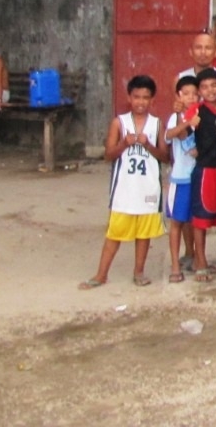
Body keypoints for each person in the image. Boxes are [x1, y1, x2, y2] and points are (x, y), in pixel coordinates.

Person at [79, 75, 169, 289]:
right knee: (114, 232)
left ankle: (139, 272)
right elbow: (108, 155)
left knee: (144, 234)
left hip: (148, 188)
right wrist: (123, 144)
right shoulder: (119, 123)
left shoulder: (157, 124)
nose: (141, 102)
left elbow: (165, 157)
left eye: (145, 98)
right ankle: (101, 274)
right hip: (124, 189)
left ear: (152, 100)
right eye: (136, 97)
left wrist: (148, 146)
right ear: (129, 97)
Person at [176, 31, 216, 268]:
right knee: (198, 214)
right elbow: (180, 123)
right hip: (200, 166)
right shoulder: (185, 86)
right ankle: (196, 258)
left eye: (208, 47)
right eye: (198, 47)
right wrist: (185, 139)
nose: (203, 52)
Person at [190, 68, 216, 283]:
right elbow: (180, 131)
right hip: (205, 170)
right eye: (204, 87)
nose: (210, 90)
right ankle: (201, 261)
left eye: (214, 85)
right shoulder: (195, 111)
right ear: (199, 91)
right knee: (201, 219)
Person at [164, 75, 200, 282]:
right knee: (177, 221)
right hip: (180, 178)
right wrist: (186, 122)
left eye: (195, 94)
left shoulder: (199, 115)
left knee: (194, 221)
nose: (191, 97)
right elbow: (171, 134)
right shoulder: (176, 116)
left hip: (196, 176)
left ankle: (195, 257)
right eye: (186, 94)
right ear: (178, 95)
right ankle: (175, 265)